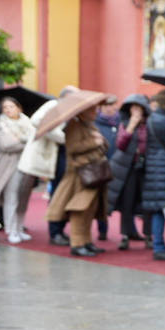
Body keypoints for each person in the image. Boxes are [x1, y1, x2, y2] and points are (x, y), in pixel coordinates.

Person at [45, 101, 109, 258]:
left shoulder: (90, 125)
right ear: (83, 111)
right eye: (92, 109)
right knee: (79, 210)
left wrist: (100, 140)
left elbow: (104, 145)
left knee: (90, 210)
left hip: (93, 174)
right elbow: (73, 147)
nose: (96, 112)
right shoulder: (74, 125)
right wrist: (94, 141)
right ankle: (77, 243)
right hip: (80, 175)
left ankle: (86, 241)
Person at [17, 89, 74, 246]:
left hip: (62, 155)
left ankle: (59, 230)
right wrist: (61, 138)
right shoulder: (53, 105)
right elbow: (38, 122)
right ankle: (55, 232)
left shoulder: (69, 110)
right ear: (64, 97)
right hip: (54, 155)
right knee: (57, 194)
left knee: (62, 193)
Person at [107, 94, 153, 252]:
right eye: (133, 108)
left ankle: (148, 235)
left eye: (138, 108)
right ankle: (126, 234)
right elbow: (120, 144)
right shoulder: (125, 123)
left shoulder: (149, 124)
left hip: (146, 167)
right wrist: (131, 126)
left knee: (147, 203)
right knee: (127, 201)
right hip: (128, 168)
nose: (136, 111)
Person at [141, 89, 165, 261]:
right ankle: (159, 246)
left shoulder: (150, 119)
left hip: (152, 165)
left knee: (157, 207)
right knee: (163, 208)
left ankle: (158, 243)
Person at [0, 97, 34, 242]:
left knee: (23, 198)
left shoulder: (29, 124)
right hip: (8, 166)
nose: (8, 110)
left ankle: (19, 228)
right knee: (11, 198)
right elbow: (6, 145)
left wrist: (20, 140)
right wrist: (26, 142)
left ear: (19, 108)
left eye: (11, 106)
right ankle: (11, 230)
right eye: (5, 107)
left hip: (26, 165)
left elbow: (34, 140)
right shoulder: (0, 126)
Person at [92, 102, 120, 242]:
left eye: (112, 106)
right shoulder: (95, 124)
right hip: (101, 166)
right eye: (106, 106)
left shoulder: (120, 122)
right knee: (101, 199)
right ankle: (102, 229)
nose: (109, 109)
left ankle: (127, 231)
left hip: (118, 167)